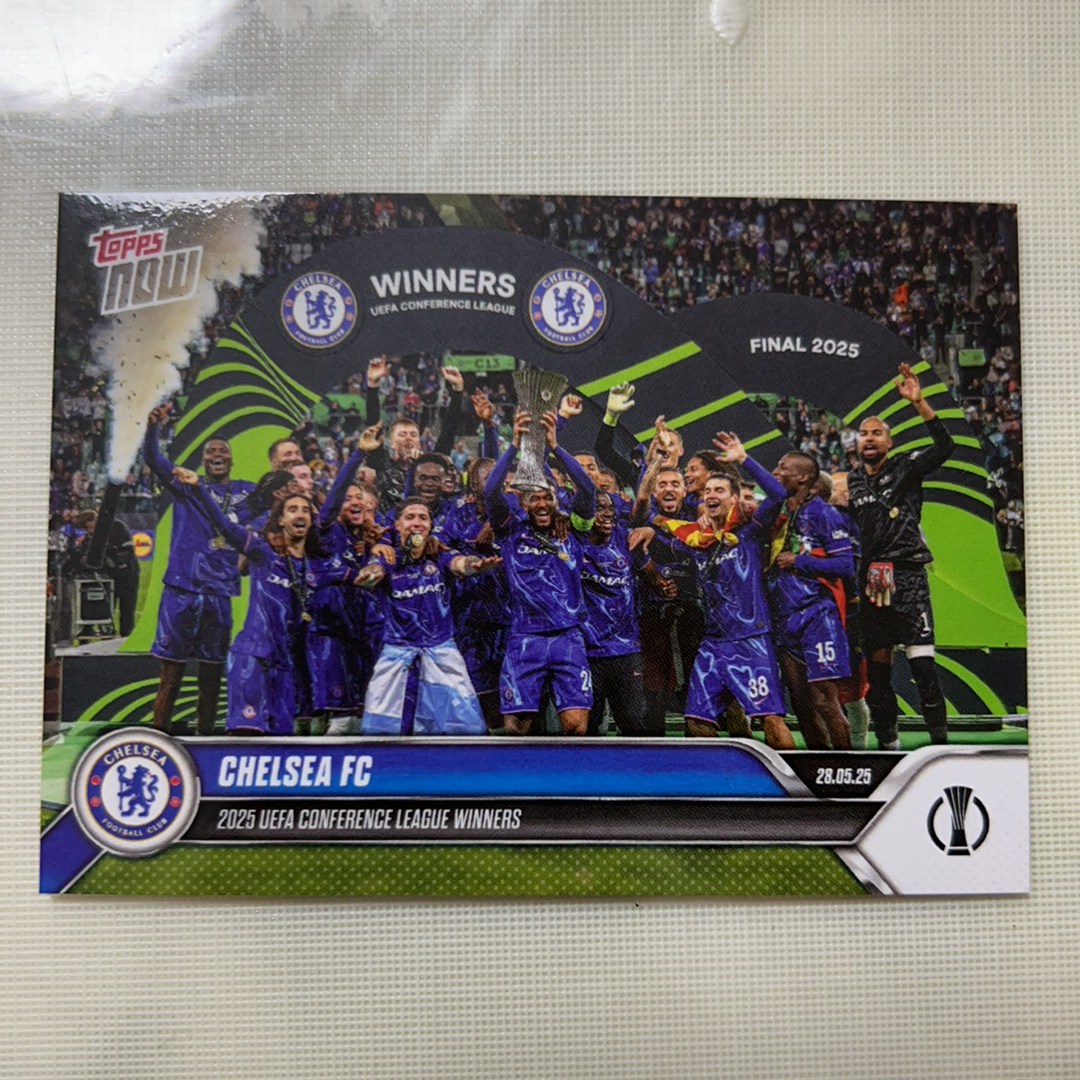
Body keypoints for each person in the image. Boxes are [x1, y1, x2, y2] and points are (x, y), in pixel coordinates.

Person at [172, 468, 377, 735]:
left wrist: (376, 560)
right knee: (245, 735)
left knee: (282, 740)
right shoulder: (262, 552)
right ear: (280, 519)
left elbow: (363, 576)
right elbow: (224, 525)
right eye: (292, 510)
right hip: (253, 657)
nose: (300, 514)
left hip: (285, 666)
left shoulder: (319, 567)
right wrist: (198, 488)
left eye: (305, 510)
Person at [650, 433, 795, 749]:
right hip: (712, 644)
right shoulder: (697, 542)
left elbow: (778, 494)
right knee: (696, 720)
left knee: (770, 718)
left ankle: (789, 775)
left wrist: (744, 459)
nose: (712, 495)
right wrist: (648, 526)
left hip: (750, 639)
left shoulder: (749, 533)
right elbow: (652, 516)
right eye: (708, 492)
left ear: (734, 500)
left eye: (720, 491)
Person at [847, 363, 954, 749]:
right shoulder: (853, 480)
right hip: (873, 583)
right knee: (878, 675)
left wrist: (919, 402)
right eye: (864, 433)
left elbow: (945, 448)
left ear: (889, 442)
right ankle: (888, 747)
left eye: (876, 433)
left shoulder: (906, 466)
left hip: (907, 577)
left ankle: (940, 746)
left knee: (923, 669)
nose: (869, 438)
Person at [483, 407, 597, 735]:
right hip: (524, 637)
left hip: (567, 637)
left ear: (557, 500)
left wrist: (555, 447)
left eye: (548, 497)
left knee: (576, 727)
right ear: (523, 502)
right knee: (516, 728)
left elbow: (588, 490)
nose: (542, 504)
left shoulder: (573, 529)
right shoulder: (509, 530)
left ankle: (571, 772)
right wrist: (513, 447)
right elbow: (490, 491)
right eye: (534, 498)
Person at [142, 409, 255, 735]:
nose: (217, 454)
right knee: (171, 676)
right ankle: (160, 738)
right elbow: (153, 458)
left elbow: (270, 513)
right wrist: (153, 427)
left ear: (231, 460)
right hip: (182, 590)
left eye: (223, 451)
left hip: (218, 594)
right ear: (203, 461)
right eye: (210, 451)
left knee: (212, 676)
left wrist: (247, 556)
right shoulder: (187, 484)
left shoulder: (247, 492)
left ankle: (206, 739)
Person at [360, 498, 500, 736]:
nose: (417, 522)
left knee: (465, 729)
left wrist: (475, 565)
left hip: (442, 652)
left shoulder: (439, 553)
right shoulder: (388, 556)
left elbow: (460, 563)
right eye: (410, 517)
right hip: (397, 655)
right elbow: (375, 570)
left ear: (430, 526)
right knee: (384, 734)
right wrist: (369, 575)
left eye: (423, 518)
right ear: (397, 524)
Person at [767, 451, 855, 750]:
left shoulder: (824, 514)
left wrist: (799, 561)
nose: (776, 472)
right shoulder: (778, 512)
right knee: (800, 701)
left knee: (823, 699)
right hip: (784, 617)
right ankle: (817, 763)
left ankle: (845, 766)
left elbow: (845, 565)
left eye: (783, 467)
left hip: (817, 616)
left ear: (804, 477)